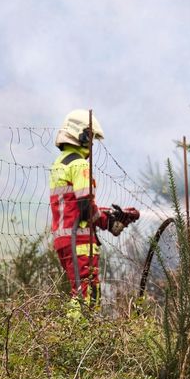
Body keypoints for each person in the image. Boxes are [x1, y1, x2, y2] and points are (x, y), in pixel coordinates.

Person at [48, 109, 134, 308]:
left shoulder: (59, 164)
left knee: (79, 293)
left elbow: (74, 204)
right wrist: (109, 222)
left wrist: (106, 215)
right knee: (88, 298)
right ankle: (76, 336)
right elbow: (85, 207)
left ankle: (72, 334)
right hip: (80, 239)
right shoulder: (79, 165)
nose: (92, 143)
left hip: (64, 240)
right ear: (83, 135)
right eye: (92, 137)